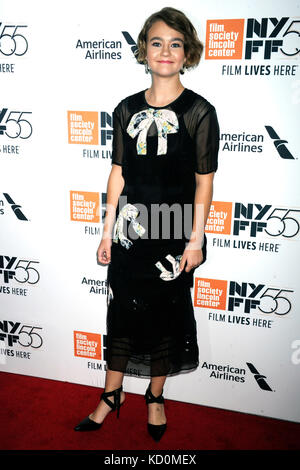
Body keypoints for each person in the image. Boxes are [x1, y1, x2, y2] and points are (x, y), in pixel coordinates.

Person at [74, 7, 219, 441]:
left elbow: (204, 184)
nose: (166, 51)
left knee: (166, 318)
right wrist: (105, 231)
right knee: (120, 314)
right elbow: (117, 173)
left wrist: (195, 241)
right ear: (144, 49)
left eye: (176, 43)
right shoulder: (124, 109)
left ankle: (155, 397)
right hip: (129, 232)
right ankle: (111, 394)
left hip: (175, 233)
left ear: (187, 52)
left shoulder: (199, 112)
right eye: (157, 42)